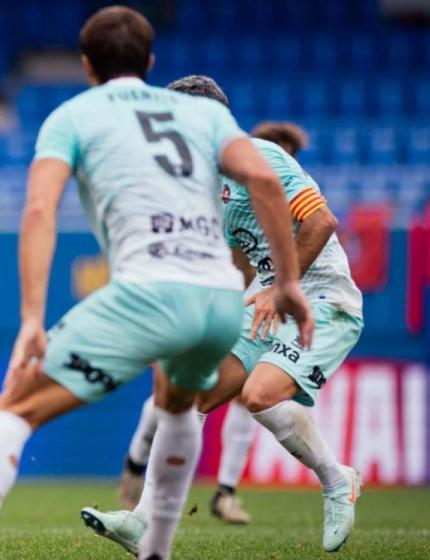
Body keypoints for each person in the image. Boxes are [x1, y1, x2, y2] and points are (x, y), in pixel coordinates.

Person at [0, 8, 311, 560]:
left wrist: (32, 318)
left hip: (149, 291)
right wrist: (287, 282)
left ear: (87, 65)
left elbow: (40, 210)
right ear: (151, 62)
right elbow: (263, 179)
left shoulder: (73, 116)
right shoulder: (203, 115)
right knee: (179, 403)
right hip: (220, 299)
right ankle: (155, 558)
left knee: (10, 408)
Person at [82, 76, 363, 557]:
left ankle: (338, 481)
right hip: (264, 298)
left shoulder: (261, 156)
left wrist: (280, 287)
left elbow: (322, 221)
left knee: (258, 395)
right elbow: (239, 259)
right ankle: (143, 521)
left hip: (321, 295)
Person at [115, 120, 315, 525]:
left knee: (244, 392)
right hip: (214, 301)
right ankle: (136, 464)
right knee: (173, 391)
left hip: (257, 303)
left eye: (290, 160)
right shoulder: (225, 199)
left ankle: (225, 491)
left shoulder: (287, 207)